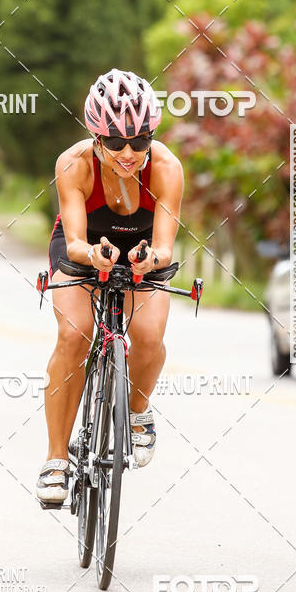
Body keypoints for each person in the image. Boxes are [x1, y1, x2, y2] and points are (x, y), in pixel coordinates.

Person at [36, 69, 184, 504]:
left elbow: (165, 247)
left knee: (149, 336)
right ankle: (56, 459)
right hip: (85, 244)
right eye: (116, 143)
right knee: (74, 334)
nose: (128, 153)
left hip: (142, 248)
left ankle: (138, 410)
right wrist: (93, 257)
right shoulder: (73, 164)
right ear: (96, 139)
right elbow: (78, 241)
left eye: (140, 141)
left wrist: (146, 260)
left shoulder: (167, 168)